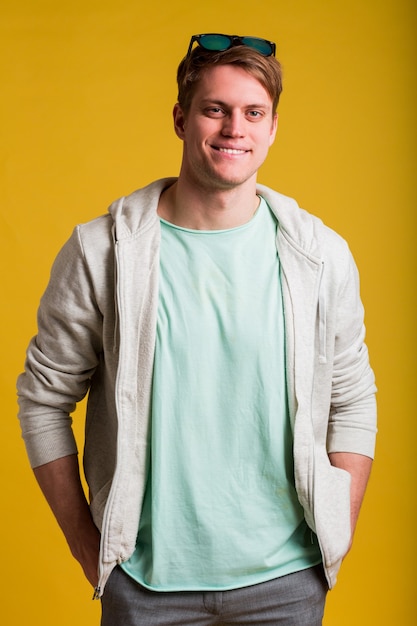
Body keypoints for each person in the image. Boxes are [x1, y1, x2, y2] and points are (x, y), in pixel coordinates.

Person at [17, 33, 377, 626]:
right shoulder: (102, 251)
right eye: (216, 109)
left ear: (272, 127)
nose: (235, 128)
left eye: (252, 112)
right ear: (182, 119)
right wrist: (87, 545)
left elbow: (353, 397)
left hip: (288, 583)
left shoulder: (320, 255)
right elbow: (43, 399)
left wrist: (337, 526)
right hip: (144, 584)